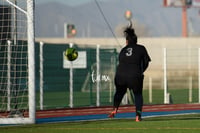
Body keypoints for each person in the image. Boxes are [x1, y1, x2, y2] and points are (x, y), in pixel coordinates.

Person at [108, 24, 151, 122]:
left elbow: (121, 62)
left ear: (127, 41)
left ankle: (114, 109)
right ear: (136, 41)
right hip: (134, 75)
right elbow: (146, 62)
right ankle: (137, 116)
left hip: (120, 75)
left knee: (119, 92)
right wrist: (141, 71)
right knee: (138, 94)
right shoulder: (141, 48)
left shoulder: (123, 50)